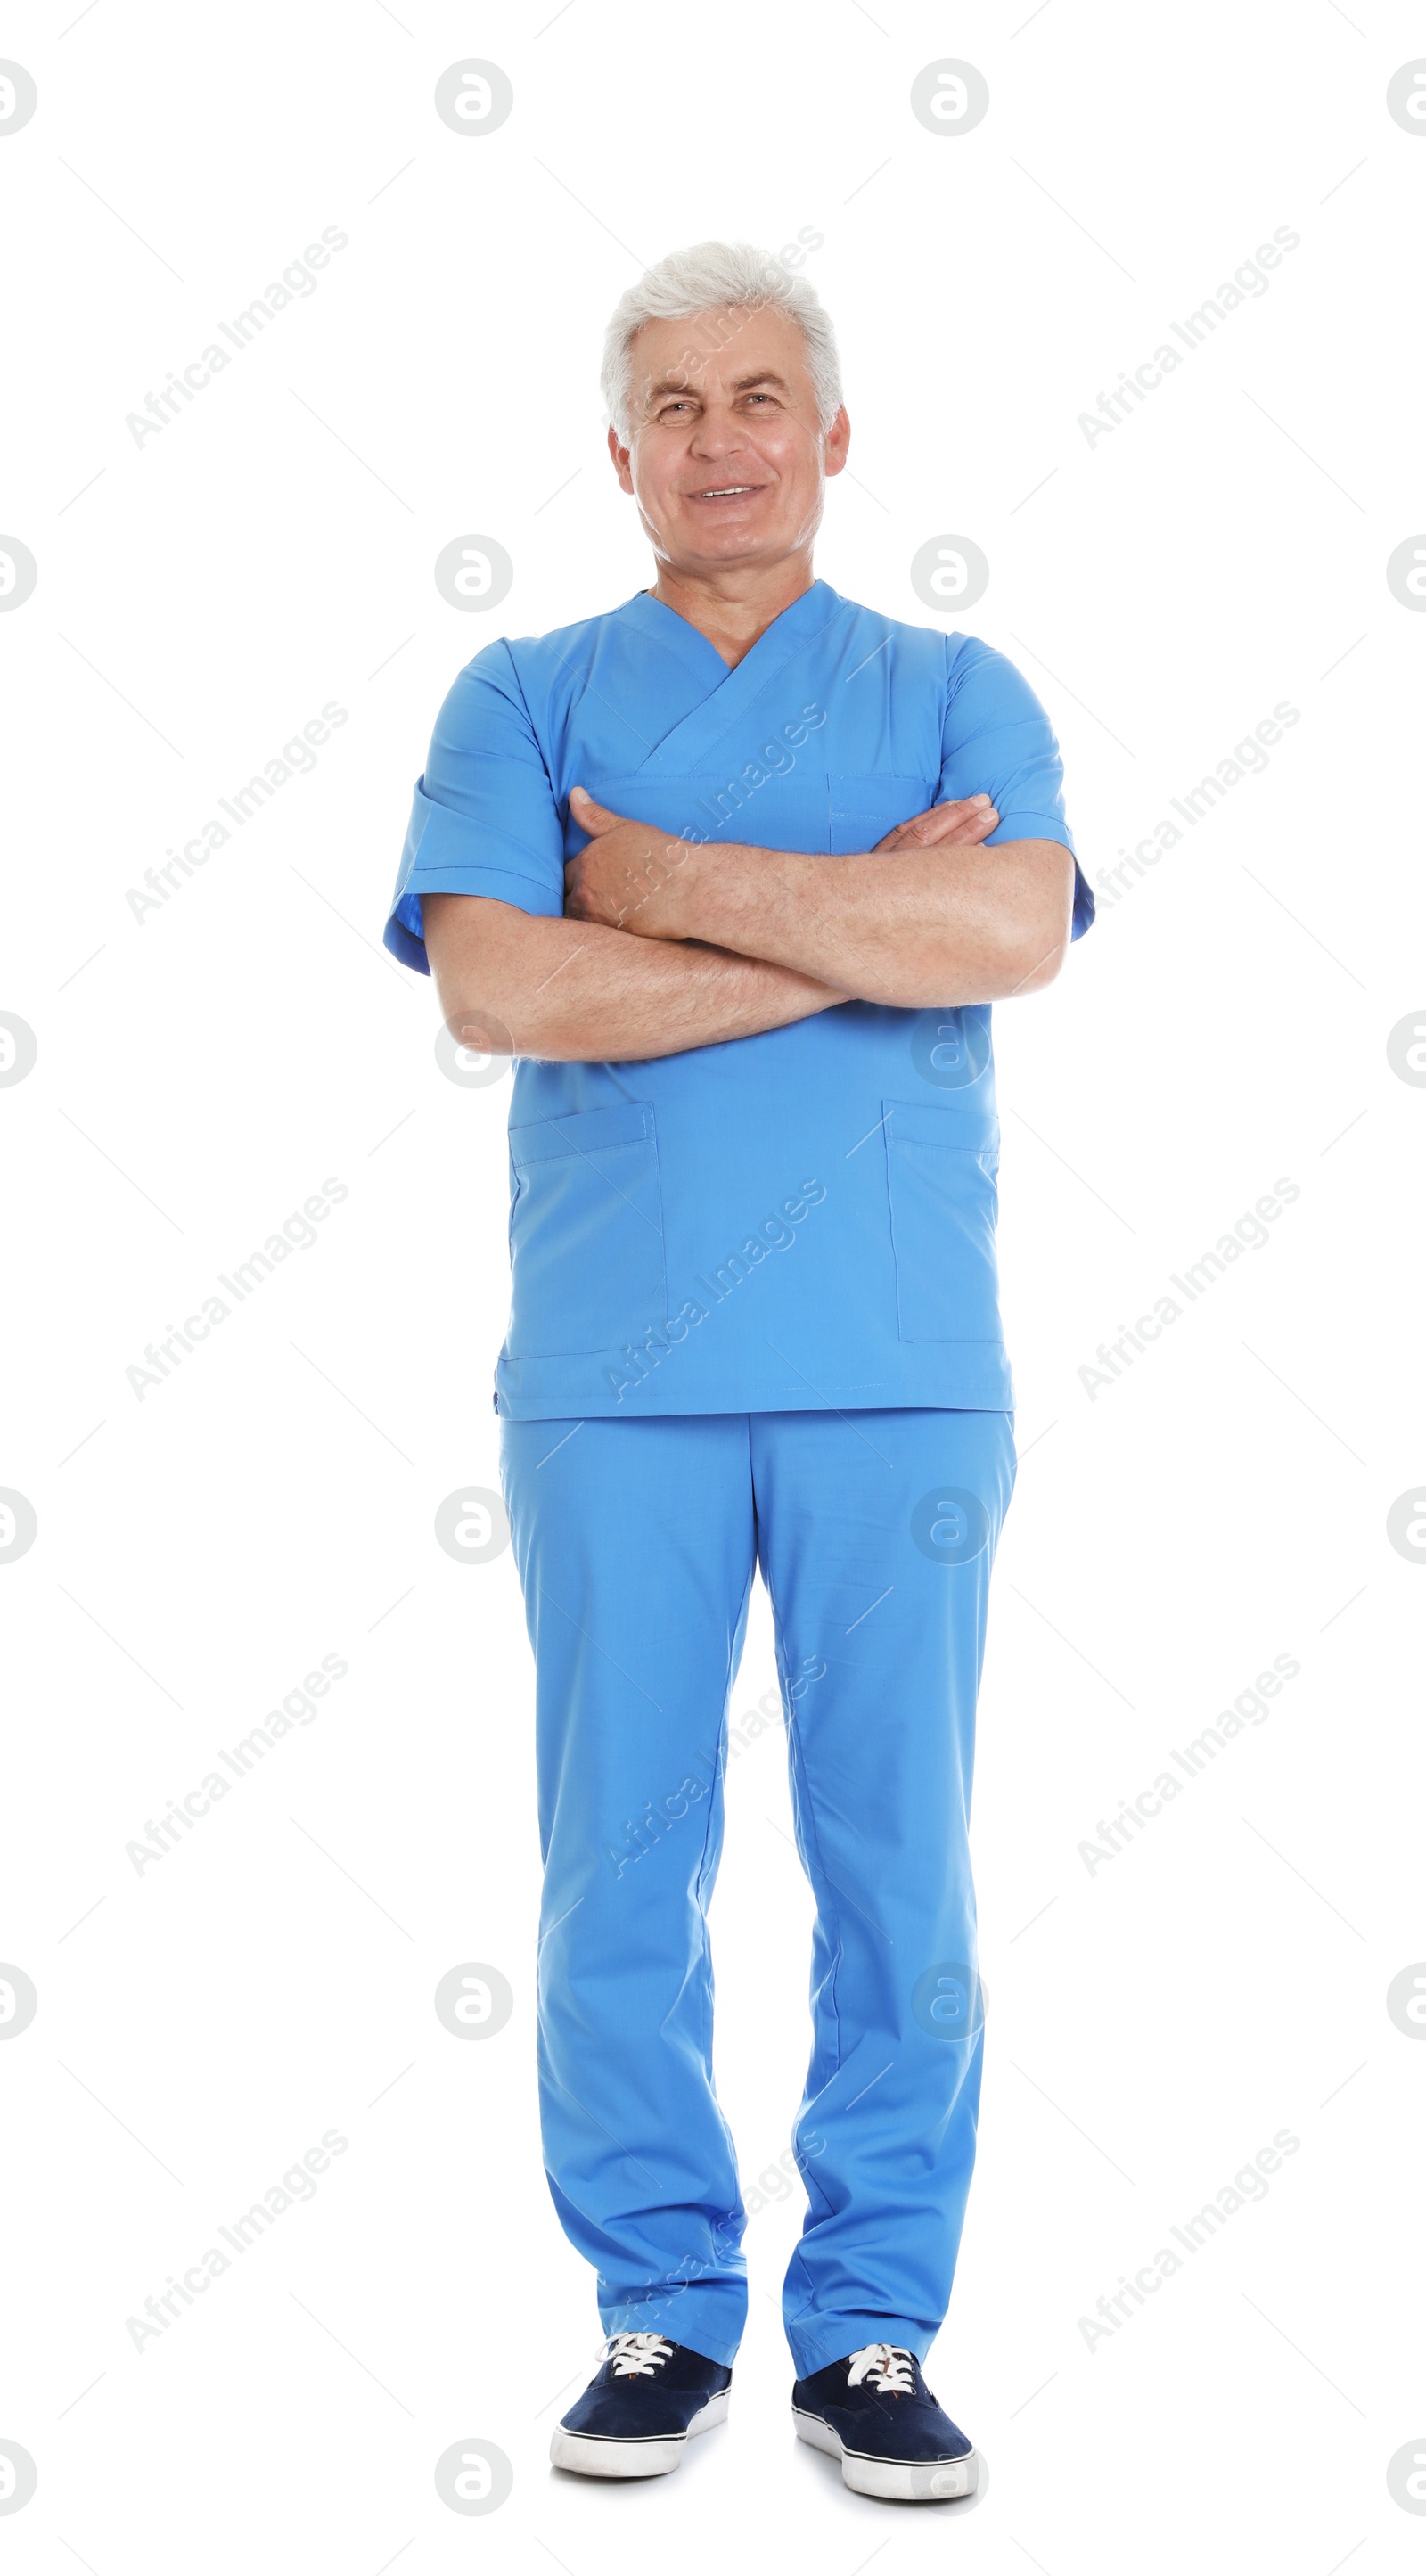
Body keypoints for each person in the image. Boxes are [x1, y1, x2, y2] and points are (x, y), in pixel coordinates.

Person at [384, 240, 1093, 2505]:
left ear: (834, 434)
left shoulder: (956, 688)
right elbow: (503, 989)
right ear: (616, 455)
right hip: (613, 1374)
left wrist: (669, 886)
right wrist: (835, 926)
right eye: (673, 404)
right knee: (620, 1860)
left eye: (759, 395)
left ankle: (870, 2327)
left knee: (902, 1862)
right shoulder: (517, 694)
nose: (720, 438)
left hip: (896, 1366)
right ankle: (660, 2309)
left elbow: (999, 929)